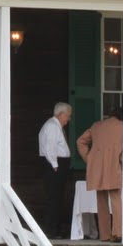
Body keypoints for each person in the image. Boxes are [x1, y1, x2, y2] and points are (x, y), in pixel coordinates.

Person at [76, 109, 123, 241]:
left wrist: (89, 159)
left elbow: (80, 141)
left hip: (97, 167)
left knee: (101, 200)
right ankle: (118, 232)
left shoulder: (96, 126)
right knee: (116, 199)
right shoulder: (122, 126)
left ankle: (104, 235)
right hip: (114, 165)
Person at [37, 102, 73, 238]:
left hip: (56, 164)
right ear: (61, 114)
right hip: (55, 165)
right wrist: (55, 165)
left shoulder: (53, 125)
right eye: (68, 116)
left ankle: (55, 228)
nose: (68, 119)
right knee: (54, 198)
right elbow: (50, 147)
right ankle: (52, 230)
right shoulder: (52, 126)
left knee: (56, 197)